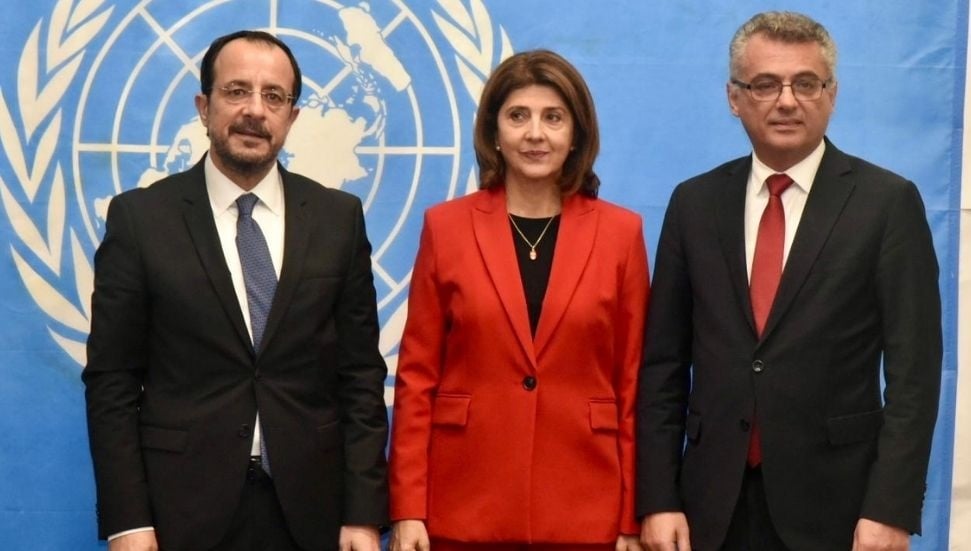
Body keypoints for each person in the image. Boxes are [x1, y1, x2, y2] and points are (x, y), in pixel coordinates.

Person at [636, 11, 942, 551]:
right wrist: (659, 499)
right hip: (710, 507)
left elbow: (914, 375)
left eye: (805, 83)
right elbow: (663, 366)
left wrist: (889, 509)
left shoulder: (886, 204)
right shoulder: (694, 204)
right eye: (765, 84)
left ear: (832, 94)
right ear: (734, 98)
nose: (786, 101)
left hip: (840, 510)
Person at [82, 30, 389, 551]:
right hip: (180, 513)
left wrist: (362, 514)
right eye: (237, 91)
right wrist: (128, 522)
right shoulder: (141, 220)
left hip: (312, 514)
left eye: (274, 97)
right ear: (204, 107)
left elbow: (360, 375)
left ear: (292, 117)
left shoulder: (338, 219)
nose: (255, 110)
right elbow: (113, 381)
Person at [387, 50, 649, 551]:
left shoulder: (621, 233)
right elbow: (417, 379)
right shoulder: (445, 227)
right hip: (463, 504)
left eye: (553, 118)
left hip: (586, 506)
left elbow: (633, 381)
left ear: (577, 135)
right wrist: (408, 510)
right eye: (517, 116)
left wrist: (631, 518)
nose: (535, 134)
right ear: (493, 132)